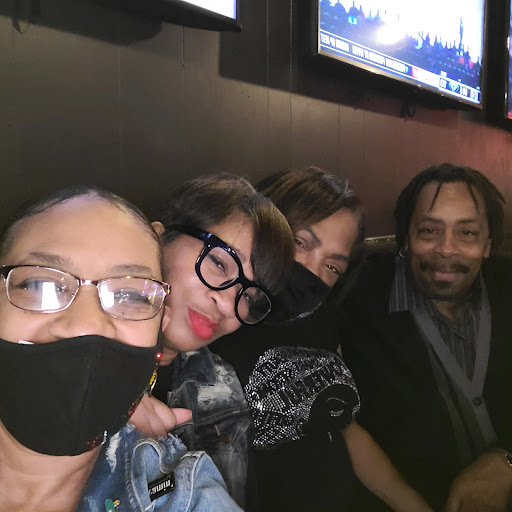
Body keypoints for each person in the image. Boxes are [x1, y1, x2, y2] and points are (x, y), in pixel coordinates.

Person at [0, 186, 241, 512]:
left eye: (129, 296)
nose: (87, 324)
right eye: (40, 285)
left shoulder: (182, 495)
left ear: (160, 325)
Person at [212, 167, 432, 512]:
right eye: (300, 243)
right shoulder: (215, 316)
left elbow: (345, 427)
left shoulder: (321, 318)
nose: (311, 272)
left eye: (332, 267)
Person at [340, 163, 512, 511]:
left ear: (489, 244)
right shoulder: (355, 300)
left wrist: (507, 460)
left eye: (467, 233)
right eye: (430, 230)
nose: (446, 249)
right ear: (406, 239)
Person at [133, 173, 295, 508]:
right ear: (157, 238)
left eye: (248, 296)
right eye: (219, 263)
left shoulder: (220, 391)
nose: (226, 304)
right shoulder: (62, 344)